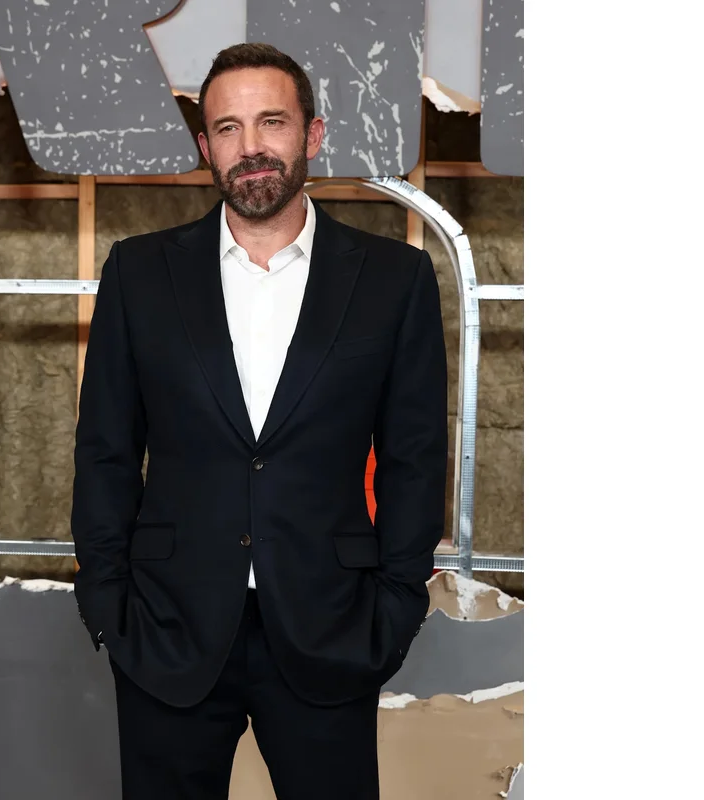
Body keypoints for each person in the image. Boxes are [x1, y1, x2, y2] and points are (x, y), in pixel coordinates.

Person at [71, 42, 448, 800]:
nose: (251, 147)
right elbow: (106, 451)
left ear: (312, 134)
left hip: (333, 626)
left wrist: (397, 603)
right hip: (166, 628)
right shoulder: (139, 272)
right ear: (206, 145)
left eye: (271, 122)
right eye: (228, 128)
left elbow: (415, 455)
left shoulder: (394, 279)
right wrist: (108, 602)